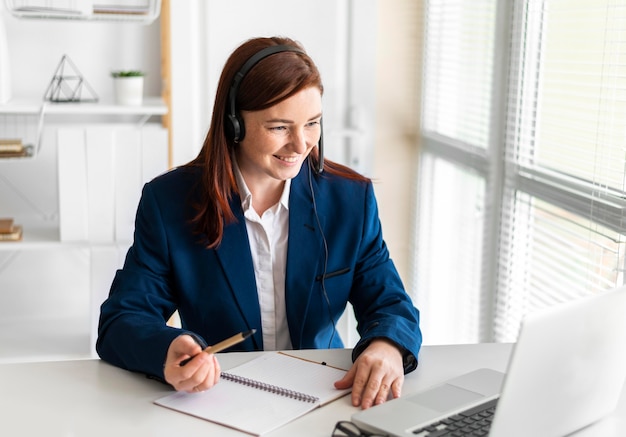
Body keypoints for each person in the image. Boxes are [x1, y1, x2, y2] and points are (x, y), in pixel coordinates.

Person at [96, 36, 422, 410]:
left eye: (312, 123)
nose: (301, 145)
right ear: (234, 124)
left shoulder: (350, 199)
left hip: (324, 394)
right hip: (218, 400)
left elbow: (392, 304)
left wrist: (387, 346)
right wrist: (167, 350)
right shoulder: (169, 202)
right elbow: (121, 320)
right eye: (280, 127)